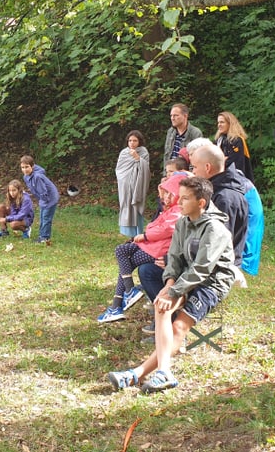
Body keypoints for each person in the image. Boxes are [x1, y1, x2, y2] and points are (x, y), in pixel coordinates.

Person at [107, 176, 235, 394]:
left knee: (178, 327)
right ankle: (160, 373)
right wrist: (169, 285)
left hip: (211, 283)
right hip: (187, 277)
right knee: (162, 305)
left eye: (185, 199)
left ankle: (141, 373)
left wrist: (174, 290)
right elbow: (173, 258)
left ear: (201, 203)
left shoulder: (215, 229)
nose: (179, 202)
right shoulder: (183, 222)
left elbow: (202, 269)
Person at [97, 172, 189, 323]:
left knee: (126, 260)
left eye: (170, 194)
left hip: (156, 251)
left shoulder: (177, 212)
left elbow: (165, 229)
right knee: (122, 251)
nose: (165, 198)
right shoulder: (170, 209)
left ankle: (119, 302)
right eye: (165, 194)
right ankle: (124, 296)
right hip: (151, 246)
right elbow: (154, 225)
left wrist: (145, 236)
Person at [187, 140, 248, 266]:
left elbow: (216, 243)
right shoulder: (213, 190)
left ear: (207, 167)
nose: (193, 172)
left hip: (217, 267)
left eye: (195, 167)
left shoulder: (225, 198)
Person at [115, 130, 151, 238]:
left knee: (135, 206)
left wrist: (138, 159)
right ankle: (127, 233)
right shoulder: (124, 153)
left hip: (137, 186)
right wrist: (125, 179)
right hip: (125, 186)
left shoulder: (143, 152)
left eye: (135, 140)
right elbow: (119, 170)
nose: (132, 143)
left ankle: (137, 233)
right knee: (126, 205)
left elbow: (146, 170)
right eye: (130, 140)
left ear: (139, 141)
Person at [20, 155, 59, 244]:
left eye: (27, 167)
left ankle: (44, 238)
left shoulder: (37, 177)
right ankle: (42, 235)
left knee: (46, 218)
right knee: (42, 216)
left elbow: (43, 192)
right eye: (22, 167)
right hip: (43, 199)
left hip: (50, 198)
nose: (25, 170)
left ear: (32, 166)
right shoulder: (26, 176)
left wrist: (44, 202)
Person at [214, 111, 254, 180]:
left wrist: (221, 161)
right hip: (220, 176)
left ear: (230, 124)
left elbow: (235, 161)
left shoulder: (237, 140)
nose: (219, 125)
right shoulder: (219, 140)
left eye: (222, 122)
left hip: (235, 178)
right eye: (218, 122)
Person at [162, 103, 203, 168]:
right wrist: (165, 174)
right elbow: (166, 155)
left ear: (185, 116)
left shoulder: (195, 133)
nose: (172, 118)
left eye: (176, 115)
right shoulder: (171, 132)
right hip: (170, 171)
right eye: (171, 115)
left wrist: (189, 176)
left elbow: (196, 159)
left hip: (185, 172)